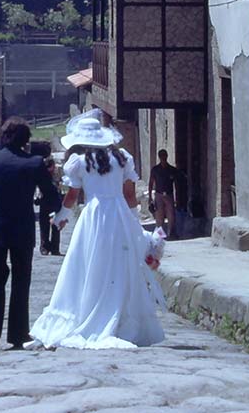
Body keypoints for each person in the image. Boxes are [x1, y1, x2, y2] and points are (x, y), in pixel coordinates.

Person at [29, 110, 165, 349]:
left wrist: (61, 218)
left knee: (88, 262)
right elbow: (130, 194)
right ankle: (119, 318)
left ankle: (87, 312)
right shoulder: (122, 158)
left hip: (93, 214)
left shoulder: (80, 162)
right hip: (119, 214)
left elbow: (72, 196)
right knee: (119, 265)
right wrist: (134, 222)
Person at [0, 117, 63, 348]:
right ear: (26, 140)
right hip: (23, 228)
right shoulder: (34, 163)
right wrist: (52, 209)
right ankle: (18, 334)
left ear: (4, 136)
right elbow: (50, 193)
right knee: (21, 280)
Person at [148, 149, 189, 240]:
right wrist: (150, 197)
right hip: (159, 194)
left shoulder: (172, 170)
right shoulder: (155, 170)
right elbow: (151, 183)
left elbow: (177, 184)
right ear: (159, 157)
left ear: (167, 156)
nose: (163, 158)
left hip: (169, 195)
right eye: (161, 156)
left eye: (165, 155)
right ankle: (160, 236)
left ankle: (171, 234)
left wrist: (177, 198)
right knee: (159, 216)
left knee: (171, 215)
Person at [30, 140, 62, 256]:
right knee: (45, 223)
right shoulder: (41, 165)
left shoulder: (55, 167)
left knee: (53, 223)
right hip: (46, 197)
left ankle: (52, 247)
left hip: (54, 197)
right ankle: (47, 246)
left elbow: (60, 181)